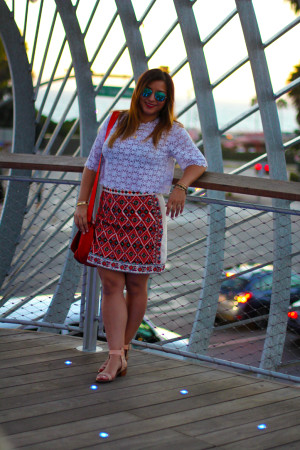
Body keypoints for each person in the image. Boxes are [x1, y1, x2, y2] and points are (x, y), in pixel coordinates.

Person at [74, 68, 207, 383]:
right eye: (148, 92)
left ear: (167, 100)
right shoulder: (117, 122)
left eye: (160, 96)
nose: (152, 99)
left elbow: (198, 162)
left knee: (135, 286)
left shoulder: (171, 131)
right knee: (110, 285)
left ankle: (121, 349)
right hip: (108, 209)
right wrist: (82, 203)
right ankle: (115, 356)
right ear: (139, 91)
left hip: (145, 214)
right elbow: (92, 164)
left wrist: (181, 186)